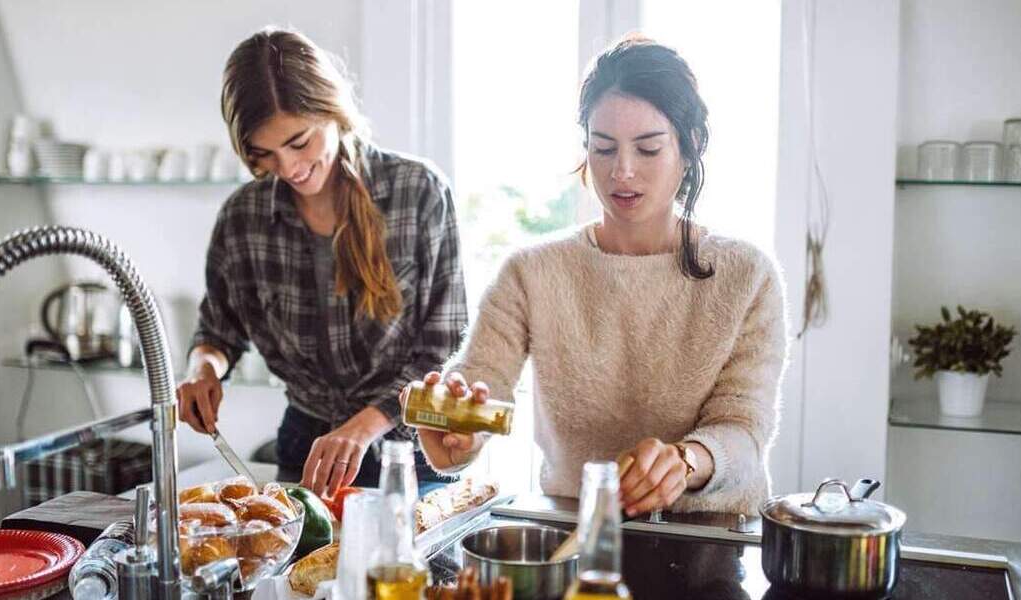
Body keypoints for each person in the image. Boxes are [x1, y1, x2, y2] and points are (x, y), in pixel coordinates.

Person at [412, 35, 788, 516]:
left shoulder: (748, 276)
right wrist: (456, 430)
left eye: (648, 149)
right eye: (604, 148)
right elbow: (479, 381)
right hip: (575, 531)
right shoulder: (531, 272)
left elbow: (744, 428)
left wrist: (686, 461)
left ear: (690, 145)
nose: (622, 172)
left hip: (711, 534)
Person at [177, 27, 467, 497]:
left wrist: (363, 426)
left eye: (299, 142)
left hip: (411, 453)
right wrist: (202, 369)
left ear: (333, 110)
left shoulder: (419, 193)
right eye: (264, 154)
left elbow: (445, 350)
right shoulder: (242, 217)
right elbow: (218, 330)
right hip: (305, 449)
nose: (289, 168)